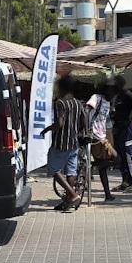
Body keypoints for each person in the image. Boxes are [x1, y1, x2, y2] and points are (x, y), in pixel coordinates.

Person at [42, 75, 88, 212]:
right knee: (71, 172)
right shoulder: (77, 102)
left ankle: (73, 195)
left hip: (61, 143)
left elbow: (60, 123)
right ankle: (68, 201)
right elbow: (84, 121)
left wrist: (47, 129)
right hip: (74, 143)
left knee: (54, 169)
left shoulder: (60, 103)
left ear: (62, 87)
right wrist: (78, 131)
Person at [85, 82, 117, 202]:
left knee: (108, 162)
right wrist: (87, 129)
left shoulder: (108, 103)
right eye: (112, 93)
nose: (113, 95)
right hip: (94, 135)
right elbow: (87, 111)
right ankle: (94, 167)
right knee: (116, 158)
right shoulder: (96, 97)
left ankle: (107, 194)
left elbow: (104, 120)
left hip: (103, 135)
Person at [109, 76, 132, 191]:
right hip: (118, 129)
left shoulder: (127, 94)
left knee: (127, 156)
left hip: (127, 129)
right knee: (120, 156)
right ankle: (125, 181)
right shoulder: (116, 96)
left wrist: (131, 119)